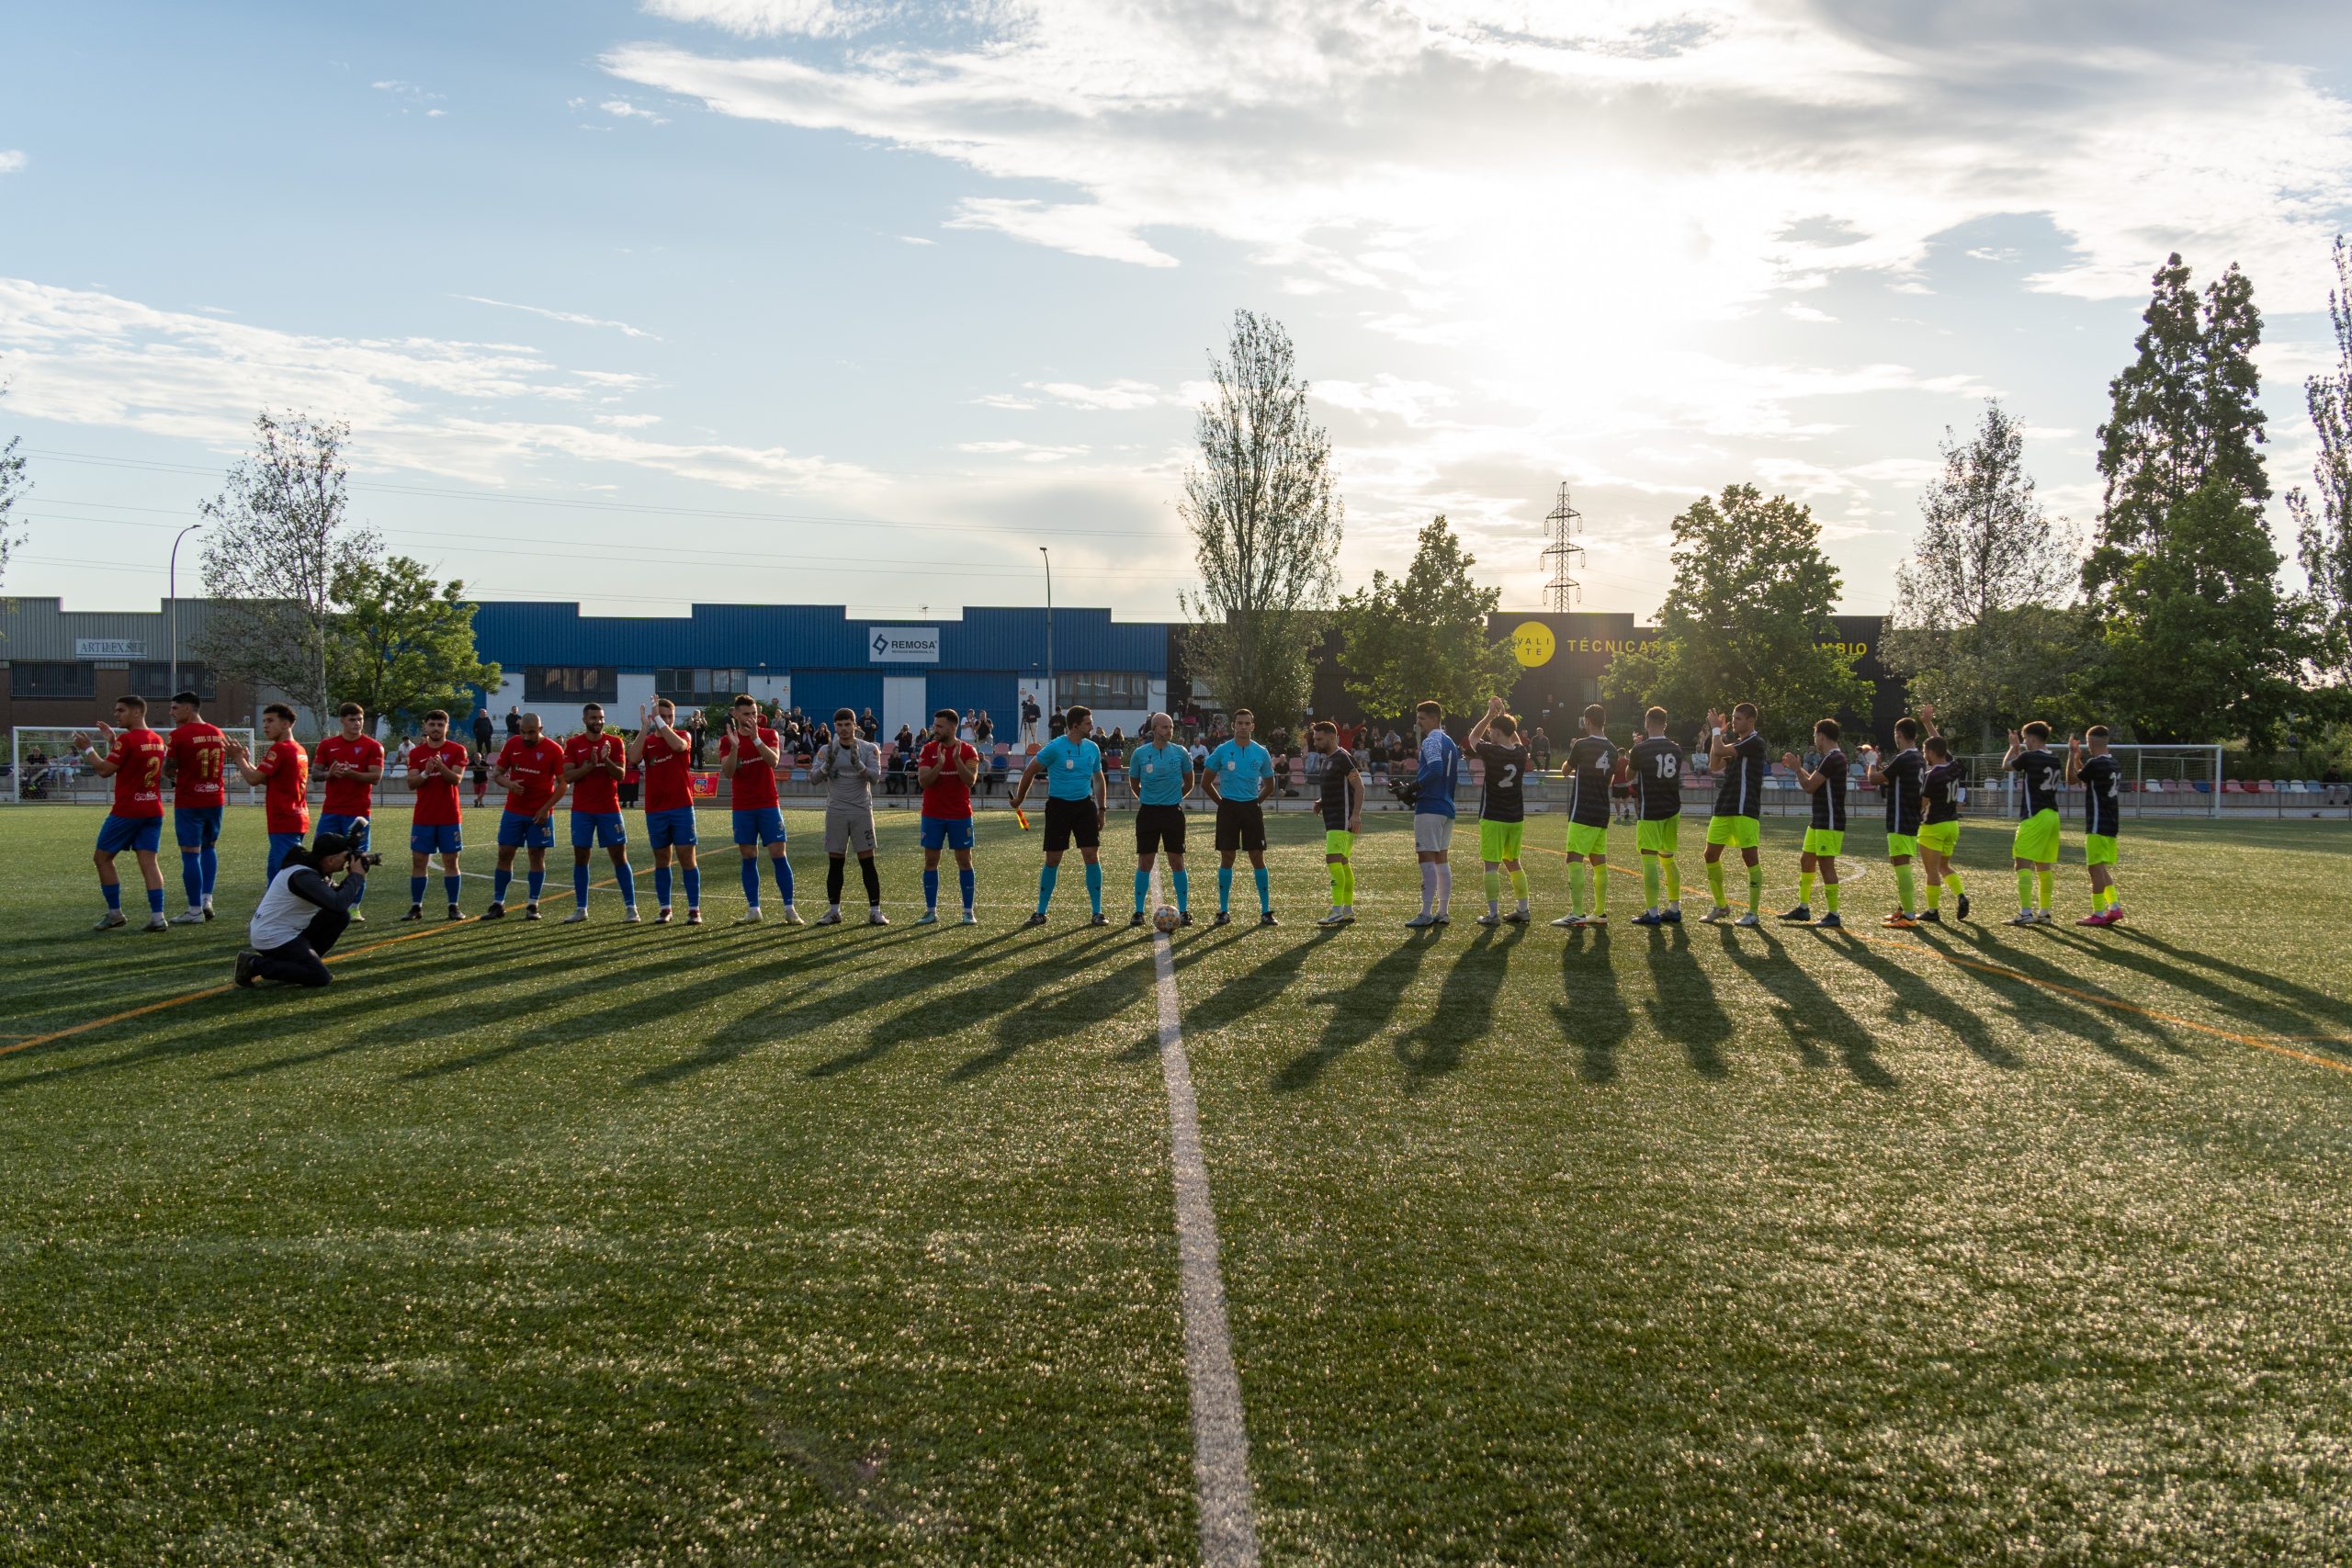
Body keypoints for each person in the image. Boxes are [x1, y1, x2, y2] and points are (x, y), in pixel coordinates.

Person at [74, 695, 171, 931]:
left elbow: (105, 770)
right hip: (153, 808)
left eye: (121, 711)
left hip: (128, 810)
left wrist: (87, 748)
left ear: (137, 712)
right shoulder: (157, 739)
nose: (116, 715)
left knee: (102, 858)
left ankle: (115, 914)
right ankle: (158, 917)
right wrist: (114, 742)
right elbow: (135, 763)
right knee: (149, 862)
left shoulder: (128, 740)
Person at [1011, 704, 1107, 926]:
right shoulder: (1054, 747)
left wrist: (1101, 810)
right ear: (1075, 725)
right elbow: (1030, 771)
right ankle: (1040, 912)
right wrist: (1019, 799)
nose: (1092, 726)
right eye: (1088, 722)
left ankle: (1097, 912)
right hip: (1058, 808)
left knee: (1091, 856)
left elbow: (1099, 779)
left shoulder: (1092, 748)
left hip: (1085, 807)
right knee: (1053, 859)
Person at [232, 831, 368, 989]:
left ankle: (300, 966)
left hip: (289, 930)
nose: (347, 861)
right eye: (345, 857)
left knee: (339, 917)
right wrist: (357, 876)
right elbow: (338, 902)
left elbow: (337, 902)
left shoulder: (314, 868)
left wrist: (353, 875)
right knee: (319, 977)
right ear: (330, 859)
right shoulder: (303, 876)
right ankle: (252, 964)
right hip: (272, 936)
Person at [715, 695, 797, 925]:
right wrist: (734, 747)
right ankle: (754, 910)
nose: (751, 717)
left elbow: (774, 762)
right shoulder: (726, 740)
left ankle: (789, 908)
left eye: (753, 713)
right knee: (748, 856)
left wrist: (756, 739)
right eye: (746, 714)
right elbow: (729, 773)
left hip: (768, 803)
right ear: (735, 714)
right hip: (743, 805)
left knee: (779, 854)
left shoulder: (769, 734)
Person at [484, 711, 567, 920]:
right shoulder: (512, 745)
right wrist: (510, 784)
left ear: (540, 729)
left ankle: (533, 904)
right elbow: (497, 774)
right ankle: (498, 903)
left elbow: (563, 784)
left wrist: (545, 808)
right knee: (504, 853)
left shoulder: (553, 749)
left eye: (531, 732)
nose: (527, 737)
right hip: (514, 811)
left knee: (536, 856)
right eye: (523, 732)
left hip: (539, 813)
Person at [561, 702, 639, 924]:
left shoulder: (615, 743)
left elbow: (621, 775)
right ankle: (581, 908)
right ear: (585, 720)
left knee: (619, 857)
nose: (598, 721)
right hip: (582, 810)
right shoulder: (574, 743)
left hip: (609, 809)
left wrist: (605, 761)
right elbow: (567, 776)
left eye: (601, 717)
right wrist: (589, 766)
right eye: (594, 718)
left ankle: (631, 908)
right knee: (581, 857)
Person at [810, 706, 888, 926]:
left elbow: (875, 778)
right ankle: (834, 911)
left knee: (867, 862)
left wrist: (859, 765)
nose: (844, 729)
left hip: (861, 811)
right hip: (836, 812)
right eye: (839, 725)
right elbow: (814, 778)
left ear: (855, 726)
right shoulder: (827, 750)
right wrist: (827, 765)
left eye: (848, 725)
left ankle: (875, 911)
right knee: (835, 863)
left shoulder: (869, 748)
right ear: (835, 727)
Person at [630, 698, 702, 925]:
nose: (668, 721)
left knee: (687, 858)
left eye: (670, 716)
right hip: (656, 809)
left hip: (681, 806)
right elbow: (632, 758)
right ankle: (665, 908)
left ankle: (693, 909)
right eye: (662, 716)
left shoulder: (683, 735)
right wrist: (644, 727)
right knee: (662, 860)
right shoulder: (649, 740)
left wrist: (660, 721)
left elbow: (678, 747)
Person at [1204, 708, 1278, 926]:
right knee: (1227, 857)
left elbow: (1270, 785)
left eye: (1247, 723)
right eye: (1240, 723)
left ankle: (1266, 911)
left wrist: (1255, 803)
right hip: (1228, 807)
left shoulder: (1261, 752)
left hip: (1251, 808)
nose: (1243, 727)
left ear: (1252, 726)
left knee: (1257, 857)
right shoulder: (1222, 750)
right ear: (1233, 726)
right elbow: (1205, 782)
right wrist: (1223, 805)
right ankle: (1223, 911)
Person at [314, 702, 386, 920]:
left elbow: (376, 777)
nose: (357, 724)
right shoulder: (328, 745)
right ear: (342, 721)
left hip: (358, 813)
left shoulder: (373, 746)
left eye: (360, 719)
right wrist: (330, 774)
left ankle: (354, 905)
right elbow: (316, 774)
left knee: (358, 857)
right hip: (331, 811)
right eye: (352, 720)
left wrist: (350, 774)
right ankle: (322, 901)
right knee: (321, 857)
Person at [1464, 697, 1532, 927]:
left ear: (1496, 732)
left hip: (1494, 815)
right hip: (1516, 817)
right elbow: (1513, 737)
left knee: (1491, 865)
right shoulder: (1520, 753)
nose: (1488, 734)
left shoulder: (1491, 751)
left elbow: (1473, 738)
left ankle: (1493, 914)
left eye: (1492, 731)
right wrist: (1503, 716)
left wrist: (1489, 715)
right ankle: (1523, 909)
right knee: (1514, 862)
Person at [1866, 708, 1936, 928]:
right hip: (1910, 815)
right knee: (1898, 860)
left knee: (1902, 862)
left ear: (1898, 735)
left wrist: (1870, 759)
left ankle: (1909, 914)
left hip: (1900, 816)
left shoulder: (1904, 757)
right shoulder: (1918, 757)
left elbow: (1874, 779)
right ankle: (1905, 908)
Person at [1778, 718, 1849, 928]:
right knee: (1806, 860)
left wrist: (1797, 768)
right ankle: (1803, 908)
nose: (1814, 740)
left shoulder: (1832, 758)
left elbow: (1809, 786)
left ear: (1821, 736)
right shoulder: (1831, 758)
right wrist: (1799, 769)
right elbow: (1814, 783)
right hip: (1819, 820)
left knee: (1826, 865)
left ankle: (1833, 914)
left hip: (1830, 820)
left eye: (1815, 736)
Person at [164, 690, 228, 923]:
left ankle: (193, 911)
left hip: (190, 801)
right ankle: (206, 900)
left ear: (188, 709)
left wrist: (176, 776)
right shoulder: (217, 733)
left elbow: (169, 769)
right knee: (209, 847)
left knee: (190, 854)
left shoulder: (178, 735)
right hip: (215, 798)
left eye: (174, 708)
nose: (171, 713)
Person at [1552, 704, 1618, 929]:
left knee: (1574, 858)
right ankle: (1599, 912)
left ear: (1588, 721)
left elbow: (1565, 771)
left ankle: (1577, 913)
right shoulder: (1612, 748)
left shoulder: (1582, 745)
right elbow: (1608, 780)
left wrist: (1571, 753)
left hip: (1583, 810)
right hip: (1602, 810)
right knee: (1599, 861)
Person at [1701, 703, 1767, 926]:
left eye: (1738, 718)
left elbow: (1719, 751)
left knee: (1749, 858)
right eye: (1734, 718)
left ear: (1750, 721)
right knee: (1710, 855)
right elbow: (1714, 764)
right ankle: (1721, 905)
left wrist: (1716, 731)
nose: (1735, 721)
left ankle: (1753, 912)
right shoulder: (1739, 743)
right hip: (1725, 806)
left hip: (1744, 807)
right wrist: (1717, 733)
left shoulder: (1754, 741)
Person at [228, 704, 311, 883]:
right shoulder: (298, 749)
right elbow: (267, 778)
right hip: (296, 817)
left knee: (288, 875)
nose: (265, 725)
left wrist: (238, 759)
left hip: (284, 819)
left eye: (271, 720)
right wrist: (247, 763)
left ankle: (301, 909)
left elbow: (253, 780)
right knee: (275, 874)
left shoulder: (279, 749)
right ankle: (269, 910)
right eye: (264, 721)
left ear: (286, 724)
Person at [1127, 711, 1194, 928]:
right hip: (1148, 813)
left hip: (1172, 813)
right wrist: (1149, 800)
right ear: (1154, 729)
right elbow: (1134, 782)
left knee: (1177, 861)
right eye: (1165, 727)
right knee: (1145, 861)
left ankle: (1183, 911)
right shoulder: (1140, 754)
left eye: (1171, 727)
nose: (1169, 730)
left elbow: (1189, 782)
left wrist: (1172, 800)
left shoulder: (1181, 753)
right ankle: (1138, 912)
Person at [401, 708, 470, 921]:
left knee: (451, 861)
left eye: (440, 725)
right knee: (419, 861)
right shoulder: (416, 753)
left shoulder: (458, 750)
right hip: (424, 816)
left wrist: (441, 767)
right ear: (426, 727)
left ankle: (453, 906)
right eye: (432, 725)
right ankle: (416, 907)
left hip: (449, 815)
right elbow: (412, 783)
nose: (436, 729)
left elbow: (456, 779)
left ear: (447, 727)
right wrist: (426, 772)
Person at [915, 707, 980, 925]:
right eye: (935, 725)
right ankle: (931, 911)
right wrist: (940, 765)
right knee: (931, 860)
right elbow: (924, 782)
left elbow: (970, 780)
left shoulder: (969, 751)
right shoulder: (928, 750)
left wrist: (956, 760)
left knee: (964, 860)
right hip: (932, 814)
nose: (935, 729)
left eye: (940, 726)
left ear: (953, 728)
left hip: (960, 815)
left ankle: (968, 911)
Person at [1626, 706, 1685, 926]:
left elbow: (1628, 775)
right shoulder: (1677, 749)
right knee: (1668, 859)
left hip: (1651, 809)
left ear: (1647, 722)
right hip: (1672, 808)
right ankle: (1674, 908)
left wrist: (1636, 748)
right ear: (1666, 724)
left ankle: (1652, 912)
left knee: (1649, 860)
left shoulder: (1640, 749)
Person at [1406, 699, 1461, 929]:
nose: (1418, 724)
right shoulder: (1450, 741)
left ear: (1435, 718)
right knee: (1441, 859)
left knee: (1426, 858)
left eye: (1422, 719)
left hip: (1430, 806)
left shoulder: (1431, 740)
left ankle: (1426, 912)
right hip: (1447, 806)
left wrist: (1413, 787)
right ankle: (1443, 911)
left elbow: (1436, 769)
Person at [2003, 719, 2064, 925]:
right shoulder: (2055, 759)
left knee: (2022, 862)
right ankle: (2044, 912)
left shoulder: (2029, 756)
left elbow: (2007, 766)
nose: (2024, 741)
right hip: (2052, 815)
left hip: (2034, 815)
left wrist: (2013, 747)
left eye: (2025, 738)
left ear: (2031, 738)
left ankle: (2025, 912)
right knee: (2043, 865)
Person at [2070, 726, 2125, 926]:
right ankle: (2114, 907)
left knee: (2094, 868)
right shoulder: (2113, 763)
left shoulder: (2095, 763)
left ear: (2090, 742)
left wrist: (2071, 756)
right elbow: (2086, 776)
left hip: (2097, 822)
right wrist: (2078, 760)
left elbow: (2072, 779)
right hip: (2111, 821)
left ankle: (2098, 913)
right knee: (2100, 867)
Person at [1309, 720, 1363, 926]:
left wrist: (1356, 814)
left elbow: (1359, 787)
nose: (1315, 742)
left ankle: (1336, 910)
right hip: (1334, 817)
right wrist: (1322, 801)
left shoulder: (1342, 758)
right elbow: (1339, 788)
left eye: (1319, 739)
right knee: (1342, 862)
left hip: (1342, 819)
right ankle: (1347, 910)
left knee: (1333, 860)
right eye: (1314, 739)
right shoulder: (1328, 760)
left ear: (1332, 737)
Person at [1914, 737, 1968, 923]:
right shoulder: (1954, 768)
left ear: (1930, 752)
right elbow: (1941, 745)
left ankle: (1932, 910)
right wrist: (1928, 723)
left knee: (1932, 871)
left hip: (1933, 826)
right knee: (1943, 866)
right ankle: (1961, 894)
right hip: (1952, 825)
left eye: (1924, 751)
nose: (1924, 755)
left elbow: (1923, 802)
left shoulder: (1933, 774)